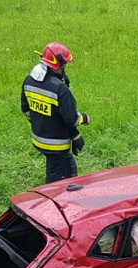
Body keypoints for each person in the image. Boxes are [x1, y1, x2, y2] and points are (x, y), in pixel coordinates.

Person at [20, 42, 90, 184]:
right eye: (64, 65)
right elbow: (71, 119)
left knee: (68, 169)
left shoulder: (29, 81)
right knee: (58, 181)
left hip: (39, 138)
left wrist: (42, 123)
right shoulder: (60, 89)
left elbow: (26, 110)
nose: (65, 68)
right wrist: (84, 118)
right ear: (58, 65)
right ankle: (50, 203)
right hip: (56, 144)